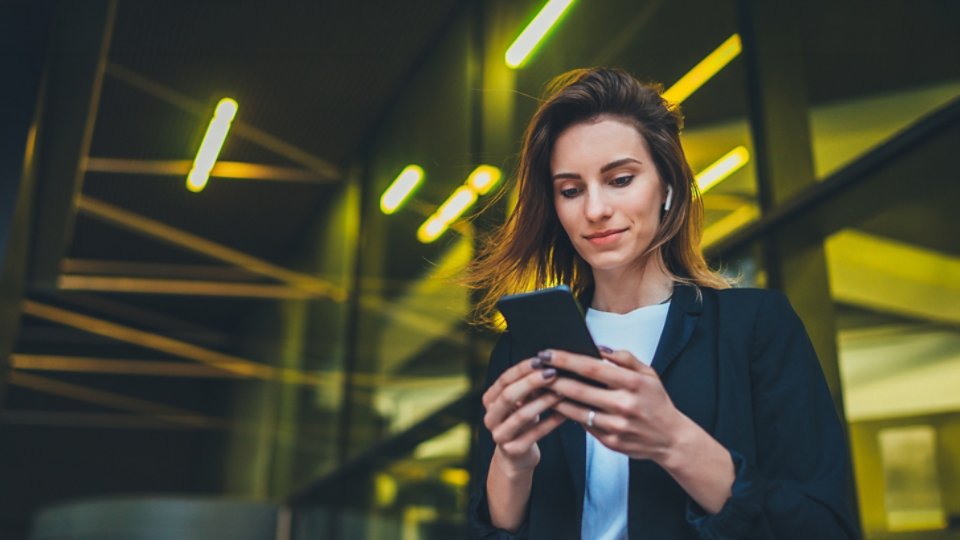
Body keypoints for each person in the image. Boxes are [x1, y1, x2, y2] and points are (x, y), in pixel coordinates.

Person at [465, 68, 860, 539]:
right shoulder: (524, 352)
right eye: (571, 190)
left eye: (620, 179)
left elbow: (823, 525)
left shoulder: (755, 327)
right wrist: (512, 461)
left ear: (668, 187)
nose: (594, 210)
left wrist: (674, 440)